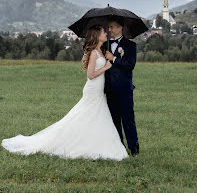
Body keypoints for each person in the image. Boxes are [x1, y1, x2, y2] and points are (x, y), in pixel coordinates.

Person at [1, 25, 128, 161]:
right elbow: (90, 75)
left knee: (94, 117)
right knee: (85, 116)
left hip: (98, 90)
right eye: (103, 32)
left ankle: (96, 144)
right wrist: (106, 67)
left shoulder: (100, 51)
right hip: (93, 90)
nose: (106, 34)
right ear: (97, 35)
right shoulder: (93, 53)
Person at [103, 16, 139, 156]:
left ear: (120, 28)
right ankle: (119, 147)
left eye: (112, 27)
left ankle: (134, 148)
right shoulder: (104, 46)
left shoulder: (131, 46)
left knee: (128, 120)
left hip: (124, 90)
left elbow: (130, 65)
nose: (109, 30)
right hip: (109, 89)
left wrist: (115, 58)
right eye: (108, 27)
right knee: (114, 120)